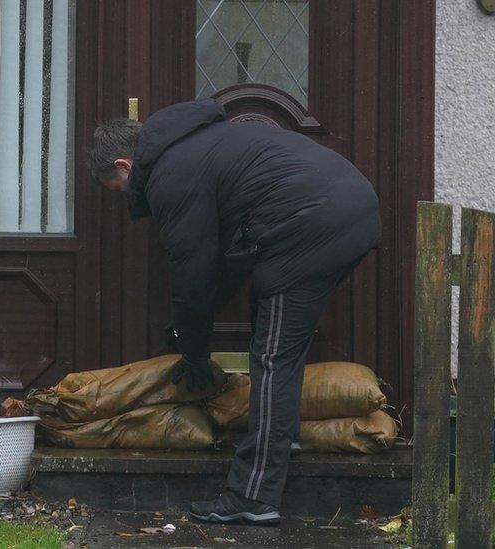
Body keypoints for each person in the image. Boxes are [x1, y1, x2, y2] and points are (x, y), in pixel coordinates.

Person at [88, 98, 381, 525]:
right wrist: (194, 340)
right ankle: (278, 439)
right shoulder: (195, 146)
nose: (127, 200)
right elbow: (221, 264)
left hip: (314, 222)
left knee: (272, 357)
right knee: (277, 340)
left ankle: (254, 495)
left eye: (118, 188)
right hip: (337, 212)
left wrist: (192, 351)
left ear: (125, 163)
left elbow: (194, 273)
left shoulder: (171, 174)